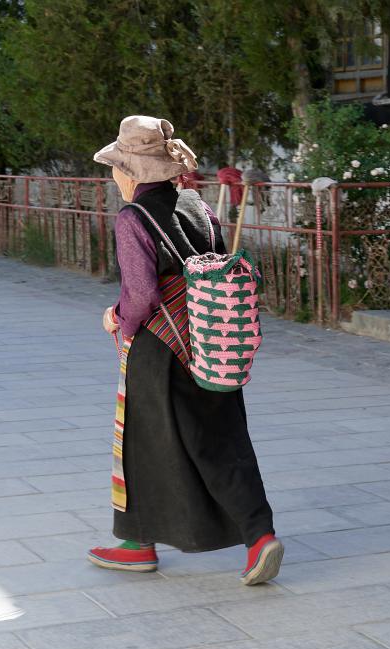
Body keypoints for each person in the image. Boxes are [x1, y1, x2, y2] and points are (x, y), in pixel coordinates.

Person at [87, 116, 283, 584]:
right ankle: (260, 535)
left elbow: (141, 294)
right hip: (211, 339)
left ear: (132, 172)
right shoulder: (197, 206)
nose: (114, 175)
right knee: (223, 439)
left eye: (116, 166)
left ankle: (137, 543)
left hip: (159, 345)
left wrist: (117, 318)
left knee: (143, 442)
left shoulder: (133, 217)